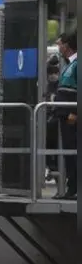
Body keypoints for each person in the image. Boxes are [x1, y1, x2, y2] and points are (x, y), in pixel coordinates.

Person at [52, 31, 77, 200]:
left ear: (67, 45)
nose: (58, 47)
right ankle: (72, 188)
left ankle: (74, 188)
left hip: (72, 116)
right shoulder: (70, 64)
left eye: (60, 44)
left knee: (74, 152)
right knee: (69, 152)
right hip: (64, 114)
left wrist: (75, 112)